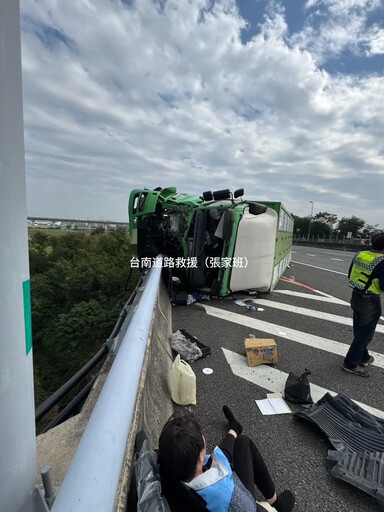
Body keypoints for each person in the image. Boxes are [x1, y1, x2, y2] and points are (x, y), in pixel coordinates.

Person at [158, 406, 295, 512]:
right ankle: (276, 503)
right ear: (200, 456)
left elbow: (222, 454)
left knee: (236, 442)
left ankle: (235, 428)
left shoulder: (170, 474)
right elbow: (249, 507)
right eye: (202, 438)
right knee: (244, 442)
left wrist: (233, 431)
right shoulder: (224, 489)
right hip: (242, 503)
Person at [342, 230, 384, 377]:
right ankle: (350, 363)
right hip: (370, 300)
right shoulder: (382, 261)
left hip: (356, 296)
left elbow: (350, 274)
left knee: (360, 330)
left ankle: (364, 357)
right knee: (365, 334)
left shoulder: (360, 254)